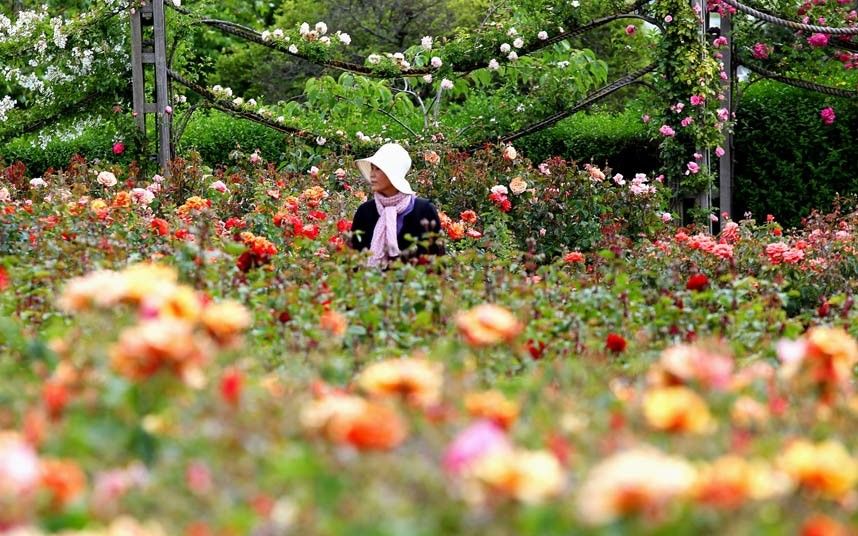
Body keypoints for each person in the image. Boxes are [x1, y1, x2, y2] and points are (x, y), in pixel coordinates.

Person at [350, 143, 444, 267]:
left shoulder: (423, 210)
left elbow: (437, 260)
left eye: (378, 169)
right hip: (371, 283)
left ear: (392, 172)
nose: (372, 174)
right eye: (372, 168)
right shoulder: (365, 211)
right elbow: (353, 258)